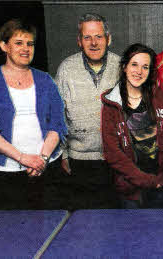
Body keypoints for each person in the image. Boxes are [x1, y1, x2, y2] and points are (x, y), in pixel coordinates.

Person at [0, 19, 67, 210]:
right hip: (4, 173)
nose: (25, 48)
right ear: (4, 46)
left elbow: (57, 124)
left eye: (30, 44)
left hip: (45, 168)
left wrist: (42, 159)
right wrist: (23, 158)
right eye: (18, 43)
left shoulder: (45, 80)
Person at [55, 13, 120, 209]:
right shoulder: (66, 69)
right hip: (79, 161)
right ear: (79, 41)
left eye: (99, 36)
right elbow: (57, 115)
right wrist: (64, 155)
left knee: (116, 222)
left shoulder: (122, 66)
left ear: (109, 39)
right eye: (87, 37)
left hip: (116, 159)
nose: (93, 43)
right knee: (84, 223)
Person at [101, 44, 163, 209]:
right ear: (125, 67)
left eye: (145, 67)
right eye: (134, 64)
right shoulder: (111, 104)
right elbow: (112, 153)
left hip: (160, 186)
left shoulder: (157, 95)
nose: (139, 71)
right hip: (130, 190)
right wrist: (146, 180)